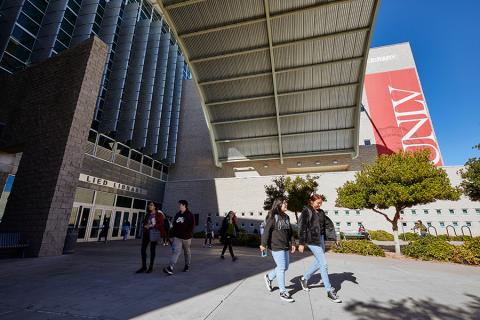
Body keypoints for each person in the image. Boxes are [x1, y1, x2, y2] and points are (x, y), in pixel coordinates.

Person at [298, 194, 342, 303]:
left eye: (321, 203)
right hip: (311, 240)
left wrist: (335, 238)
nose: (319, 205)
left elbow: (328, 225)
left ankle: (304, 278)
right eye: (318, 203)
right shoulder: (306, 211)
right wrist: (302, 242)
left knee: (319, 262)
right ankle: (329, 290)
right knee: (324, 264)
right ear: (311, 202)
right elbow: (302, 227)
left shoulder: (321, 212)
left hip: (321, 239)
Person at [260, 198, 296, 303]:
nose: (286, 204)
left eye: (286, 202)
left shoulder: (286, 217)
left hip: (285, 245)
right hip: (275, 246)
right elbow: (266, 231)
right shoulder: (273, 216)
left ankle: (268, 277)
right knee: (281, 268)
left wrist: (293, 242)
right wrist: (263, 244)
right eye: (284, 203)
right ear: (279, 205)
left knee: (285, 267)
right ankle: (283, 292)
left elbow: (290, 232)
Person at [163, 200, 195, 275]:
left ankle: (187, 265)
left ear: (184, 205)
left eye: (180, 204)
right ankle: (170, 268)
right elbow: (174, 225)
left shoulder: (190, 215)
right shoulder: (177, 214)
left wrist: (188, 234)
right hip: (177, 237)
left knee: (187, 252)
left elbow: (192, 226)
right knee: (176, 252)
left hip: (186, 238)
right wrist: (171, 235)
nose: (179, 206)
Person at [136, 202, 164, 274]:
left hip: (154, 233)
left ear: (155, 207)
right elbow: (144, 222)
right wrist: (145, 226)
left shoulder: (159, 214)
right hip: (146, 233)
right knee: (143, 250)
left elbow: (161, 224)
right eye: (149, 205)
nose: (149, 206)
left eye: (151, 205)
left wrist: (152, 226)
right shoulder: (148, 214)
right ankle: (144, 266)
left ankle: (150, 267)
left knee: (152, 250)